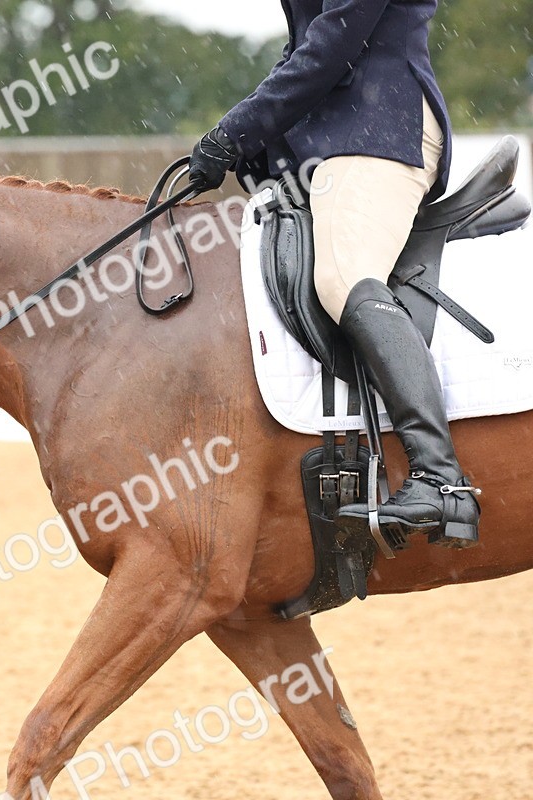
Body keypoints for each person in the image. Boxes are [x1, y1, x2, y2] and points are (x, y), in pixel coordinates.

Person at [188, 0, 482, 546]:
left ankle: (440, 479)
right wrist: (240, 143)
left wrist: (236, 131)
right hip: (327, 143)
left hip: (383, 129)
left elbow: (332, 44)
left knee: (343, 275)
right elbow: (302, 47)